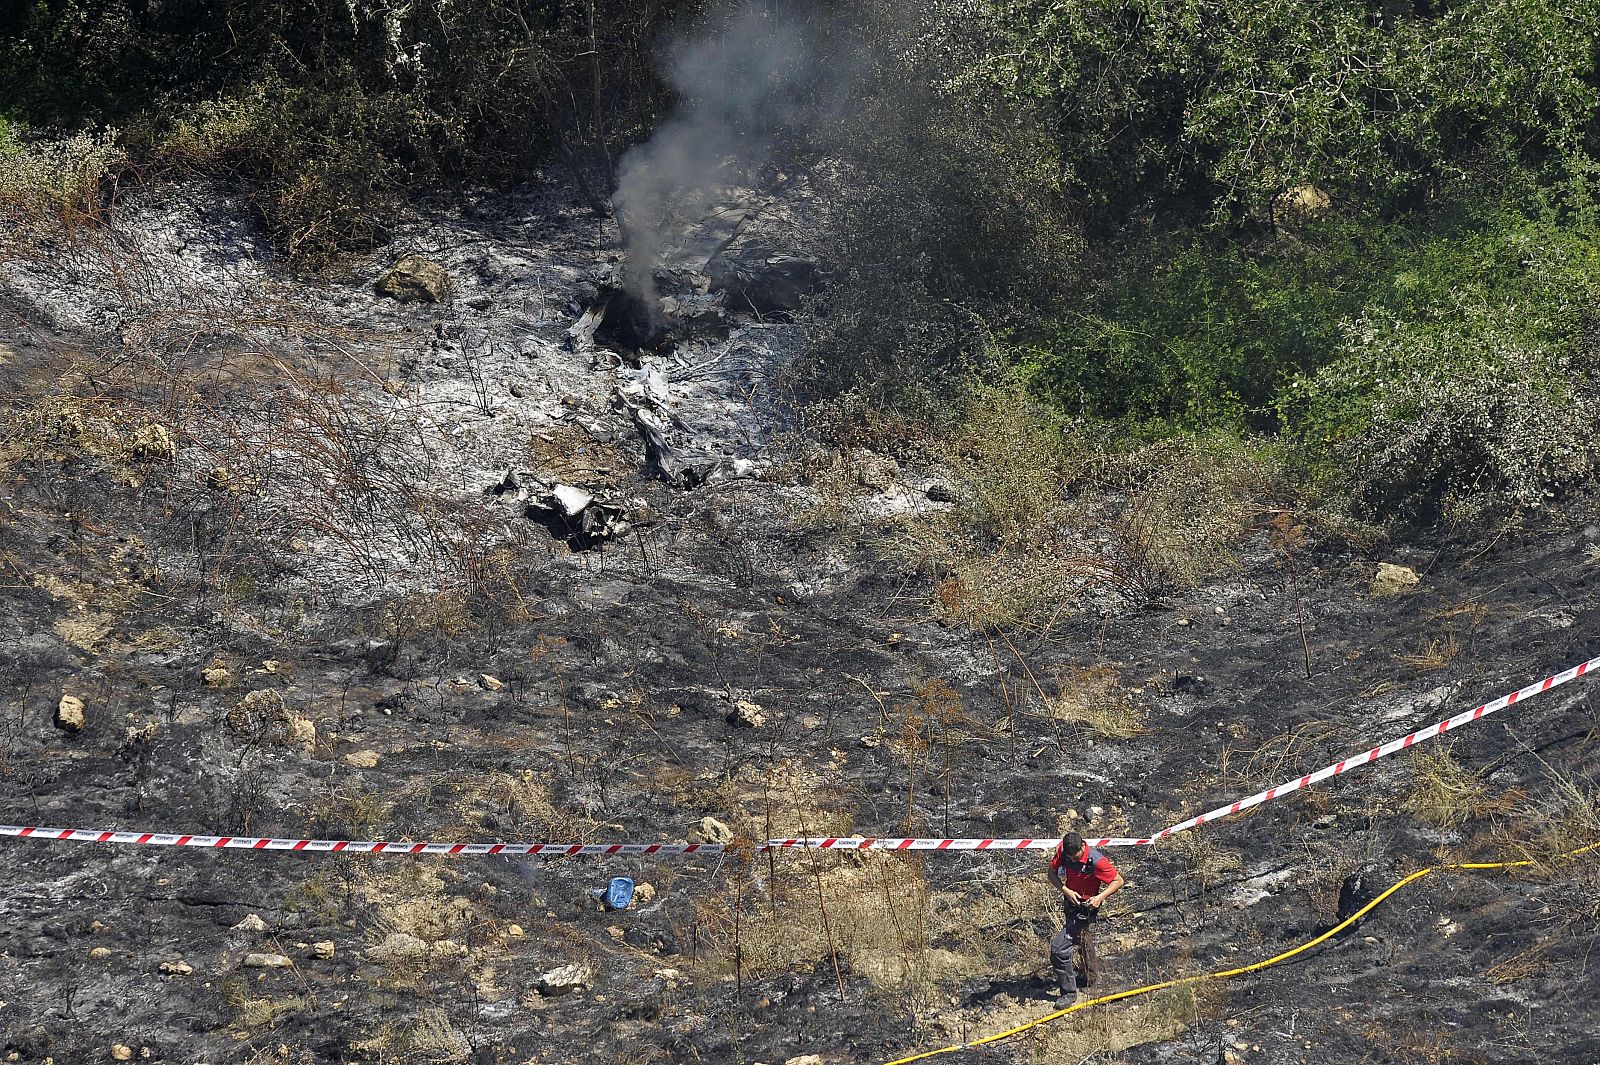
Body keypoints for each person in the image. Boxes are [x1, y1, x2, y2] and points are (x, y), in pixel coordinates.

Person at [1046, 832, 1125, 1006]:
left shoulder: (1097, 861)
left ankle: (1068, 993)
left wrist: (1099, 898)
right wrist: (1065, 890)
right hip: (1070, 900)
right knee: (1083, 938)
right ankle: (1090, 976)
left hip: (1086, 906)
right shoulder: (1063, 851)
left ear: (1083, 846)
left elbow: (1118, 881)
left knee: (1058, 950)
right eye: (1069, 858)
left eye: (1076, 857)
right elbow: (1051, 874)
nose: (1073, 861)